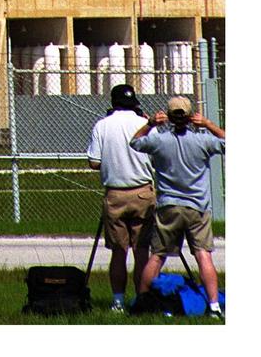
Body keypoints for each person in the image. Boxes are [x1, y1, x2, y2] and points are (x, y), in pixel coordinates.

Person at [129, 95, 226, 319]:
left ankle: (143, 301)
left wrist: (151, 123)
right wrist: (209, 124)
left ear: (169, 116)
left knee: (158, 256)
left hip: (169, 205)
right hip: (197, 206)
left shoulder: (160, 140)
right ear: (191, 116)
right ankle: (213, 306)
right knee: (203, 255)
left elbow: (134, 142)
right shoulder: (202, 140)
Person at [86, 83, 156, 311]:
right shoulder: (145, 125)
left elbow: (94, 162)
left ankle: (117, 300)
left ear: (113, 102)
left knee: (118, 251)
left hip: (115, 193)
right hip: (143, 192)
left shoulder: (102, 125)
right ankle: (142, 298)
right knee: (141, 250)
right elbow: (157, 155)